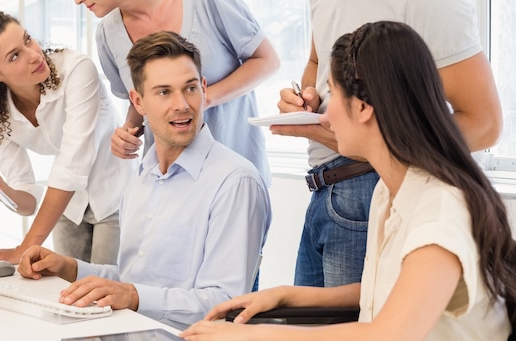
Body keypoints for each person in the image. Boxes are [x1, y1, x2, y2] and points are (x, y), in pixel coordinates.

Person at [181, 21, 516, 340]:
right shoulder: (391, 188)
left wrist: (251, 335)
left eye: (332, 94)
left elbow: (388, 335)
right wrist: (286, 295)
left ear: (362, 106)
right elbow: (386, 289)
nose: (325, 115)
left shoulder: (440, 211)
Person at [17, 30, 271, 330]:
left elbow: (225, 304)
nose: (182, 105)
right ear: (138, 102)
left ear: (203, 89)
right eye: (164, 92)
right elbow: (133, 280)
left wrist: (133, 296)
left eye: (190, 88)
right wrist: (70, 268)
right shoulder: (141, 177)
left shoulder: (235, 182)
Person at [275, 0, 503, 287]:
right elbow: (317, 62)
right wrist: (308, 97)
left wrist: (372, 142)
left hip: (369, 181)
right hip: (324, 188)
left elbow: (485, 124)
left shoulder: (435, 7)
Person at [0, 10, 135, 265]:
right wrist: (2, 189)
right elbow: (28, 202)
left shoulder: (77, 70)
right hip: (67, 208)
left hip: (115, 195)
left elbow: (71, 165)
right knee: (66, 293)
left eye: (28, 40)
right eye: (15, 56)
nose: (34, 55)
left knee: (103, 291)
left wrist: (24, 247)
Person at [74, 0, 279, 188]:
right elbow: (138, 100)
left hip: (234, 177)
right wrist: (129, 129)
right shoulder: (107, 34)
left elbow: (267, 61)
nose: (77, 1)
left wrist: (204, 98)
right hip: (167, 183)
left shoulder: (209, 4)